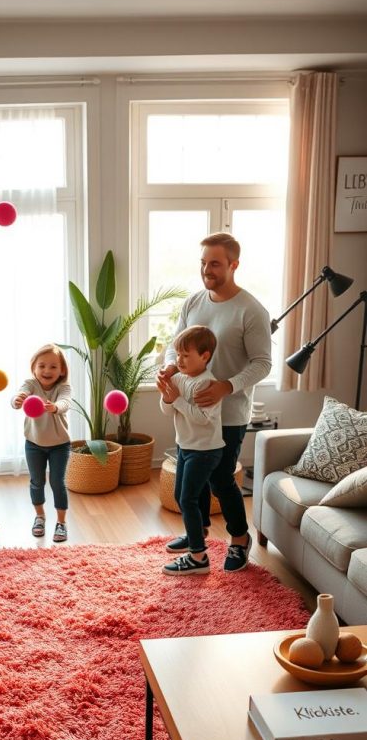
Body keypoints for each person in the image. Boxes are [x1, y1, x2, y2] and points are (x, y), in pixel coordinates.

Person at [158, 232, 271, 573]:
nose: (207, 269)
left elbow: (262, 363)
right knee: (193, 478)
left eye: (216, 263)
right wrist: (167, 366)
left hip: (231, 412)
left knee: (221, 479)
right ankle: (199, 535)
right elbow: (173, 344)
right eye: (204, 262)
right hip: (191, 411)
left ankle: (239, 539)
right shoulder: (193, 302)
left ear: (234, 265)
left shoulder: (251, 310)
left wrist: (227, 386)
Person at [157, 325, 224, 576]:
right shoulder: (180, 377)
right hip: (186, 445)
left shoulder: (207, 384)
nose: (179, 360)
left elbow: (201, 418)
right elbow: (167, 410)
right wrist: (167, 397)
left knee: (188, 498)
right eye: (178, 355)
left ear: (205, 356)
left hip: (205, 450)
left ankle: (198, 557)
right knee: (182, 494)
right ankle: (196, 532)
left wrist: (177, 399)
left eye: (186, 355)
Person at [11, 343, 72, 542]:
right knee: (37, 482)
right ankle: (40, 517)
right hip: (34, 444)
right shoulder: (30, 385)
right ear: (34, 368)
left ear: (62, 370)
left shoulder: (63, 387)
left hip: (59, 445)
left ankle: (61, 522)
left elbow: (65, 403)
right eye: (42, 366)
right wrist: (17, 400)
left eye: (53, 367)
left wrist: (55, 407)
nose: (47, 370)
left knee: (57, 482)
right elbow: (16, 398)